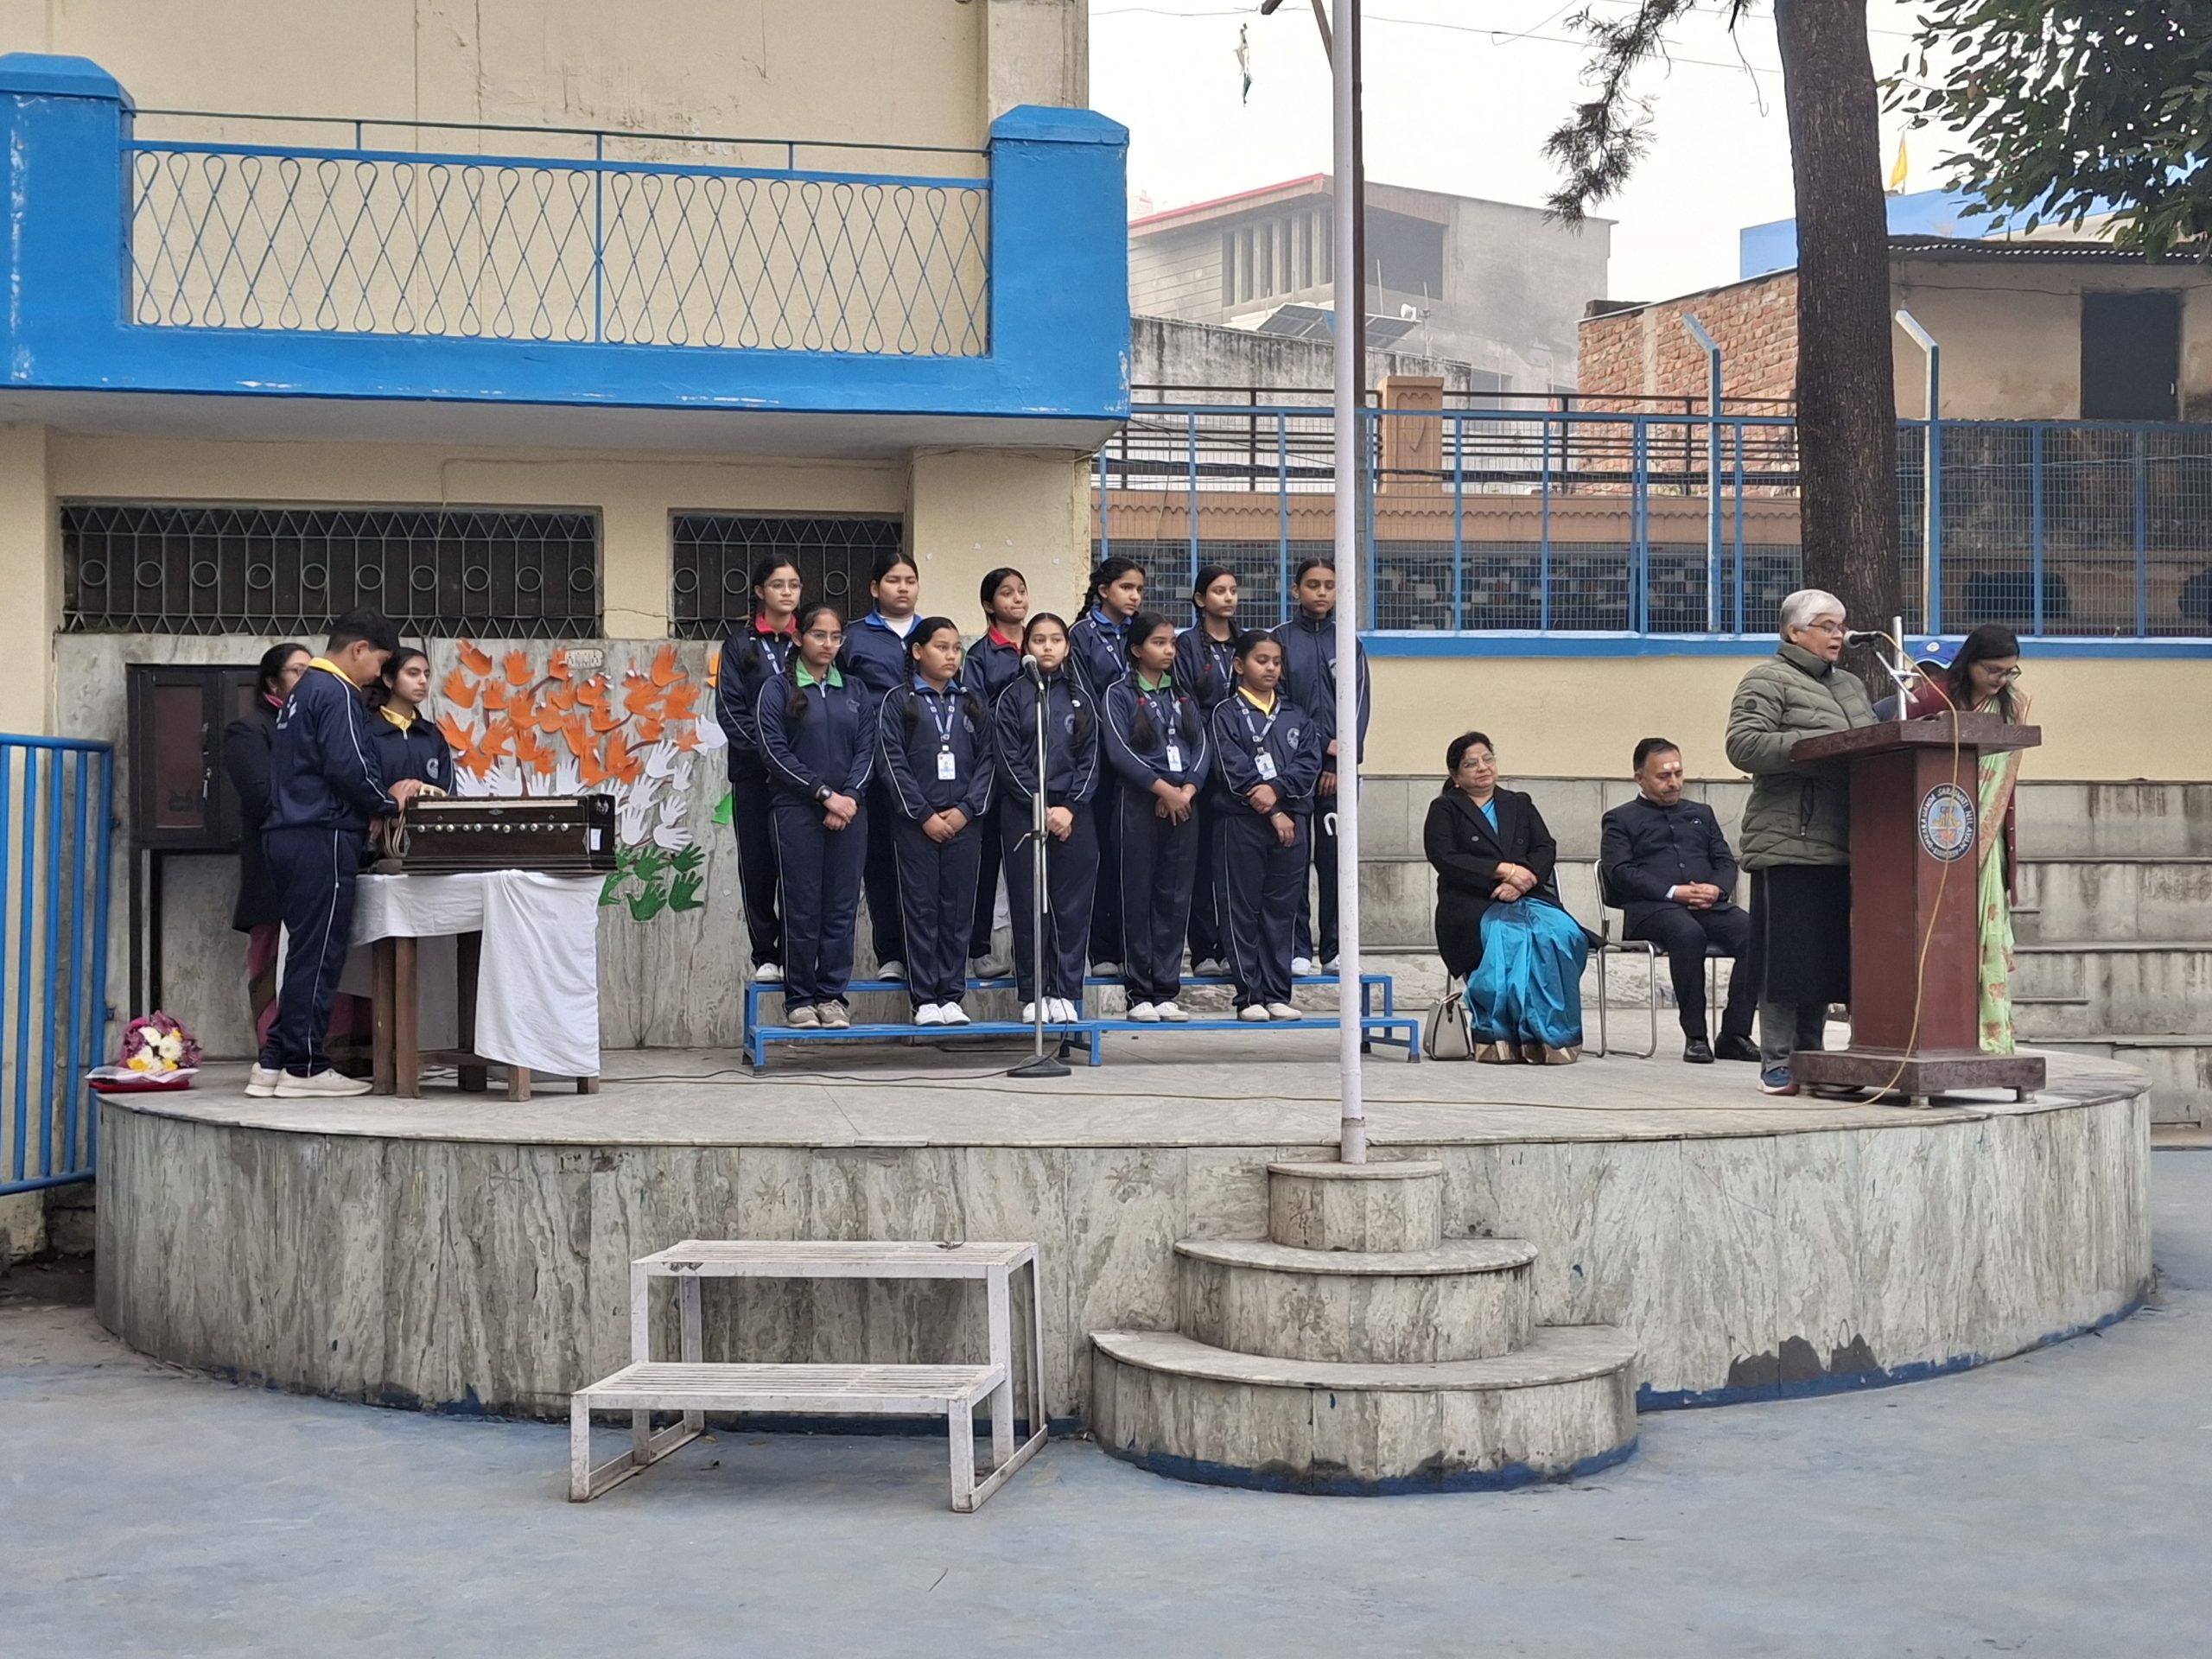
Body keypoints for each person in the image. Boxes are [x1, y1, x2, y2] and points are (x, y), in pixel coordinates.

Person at [248, 609, 426, 1099]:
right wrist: (387, 803)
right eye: (380, 663)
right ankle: (306, 1067)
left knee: (302, 950)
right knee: (320, 953)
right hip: (321, 834)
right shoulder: (338, 692)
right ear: (358, 650)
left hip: (287, 832)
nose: (378, 675)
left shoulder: (302, 691)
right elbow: (349, 765)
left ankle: (275, 1061)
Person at [1724, 588, 1879, 1096]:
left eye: (1841, 626)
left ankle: (1812, 1058)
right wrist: (1817, 747)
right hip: (1790, 837)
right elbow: (1743, 745)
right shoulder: (1767, 678)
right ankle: (1777, 1060)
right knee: (1786, 957)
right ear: (1794, 631)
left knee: (1824, 957)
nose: (1839, 635)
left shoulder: (1851, 686)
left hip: (1846, 839)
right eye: (1827, 626)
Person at [1423, 732, 1589, 1065]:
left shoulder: (1519, 803)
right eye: (1471, 764)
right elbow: (1445, 857)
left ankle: (1552, 1036)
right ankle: (1500, 1035)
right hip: (1472, 903)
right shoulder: (1445, 809)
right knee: (1510, 938)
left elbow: (1545, 847)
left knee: (1561, 934)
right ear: (1455, 774)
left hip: (1527, 896)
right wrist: (1503, 871)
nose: (1483, 768)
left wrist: (1522, 881)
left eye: (1488, 759)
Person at [1904, 624, 2031, 1053]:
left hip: (1986, 840)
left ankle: (1987, 1037)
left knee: (1981, 936)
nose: (2001, 680)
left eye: (2009, 672)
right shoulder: (1933, 698)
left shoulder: (2012, 705)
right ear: (1970, 662)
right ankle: (1936, 1033)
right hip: (1933, 834)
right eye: (1993, 670)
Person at [1598, 737, 1760, 1064]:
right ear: (1640, 778)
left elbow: (1725, 862)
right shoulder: (1620, 819)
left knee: (1754, 932)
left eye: (1678, 773)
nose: (1674, 783)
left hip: (1708, 906)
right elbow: (1619, 872)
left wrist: (1717, 889)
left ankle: (1735, 1034)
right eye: (1663, 776)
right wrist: (1673, 891)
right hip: (1652, 910)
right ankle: (1696, 1036)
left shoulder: (1701, 813)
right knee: (1687, 934)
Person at [758, 605, 874, 1030]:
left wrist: (849, 799)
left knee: (841, 907)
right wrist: (824, 795)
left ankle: (832, 995)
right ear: (798, 637)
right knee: (801, 905)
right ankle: (801, 999)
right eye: (819, 635)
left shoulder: (855, 690)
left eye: (835, 637)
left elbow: (868, 750)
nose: (828, 644)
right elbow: (773, 752)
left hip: (850, 813)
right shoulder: (777, 689)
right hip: (796, 812)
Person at [878, 618, 995, 1027]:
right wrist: (923, 814)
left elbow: (989, 761)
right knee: (921, 908)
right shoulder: (899, 701)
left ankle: (952, 995)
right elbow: (892, 762)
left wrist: (966, 810)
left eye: (956, 648)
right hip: (917, 824)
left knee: (958, 909)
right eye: (941, 647)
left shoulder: (972, 701)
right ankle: (925, 997)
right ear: (917, 651)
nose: (951, 656)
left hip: (965, 822)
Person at [992, 612, 1102, 1025]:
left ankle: (1065, 991)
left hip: (1073, 812)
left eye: (1056, 639)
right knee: (1028, 904)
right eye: (1039, 640)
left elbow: (1090, 757)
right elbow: (1008, 759)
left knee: (1071, 905)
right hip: (1025, 811)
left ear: (1067, 647)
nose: (1048, 647)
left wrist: (1069, 807)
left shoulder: (1082, 697)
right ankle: (1034, 992)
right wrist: (1039, 806)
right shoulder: (1012, 696)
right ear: (1026, 647)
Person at [1207, 631, 1322, 1021]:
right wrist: (1270, 807)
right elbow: (1230, 766)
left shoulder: (1296, 715)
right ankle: (1249, 995)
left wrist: (1278, 791)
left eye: (1276, 661)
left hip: (1292, 821)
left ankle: (1276, 992)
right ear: (1239, 665)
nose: (1271, 668)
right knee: (1242, 908)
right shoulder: (1225, 714)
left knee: (1282, 908)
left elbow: (1308, 764)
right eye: (1261, 661)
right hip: (1241, 821)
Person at [1102, 612, 1211, 1021]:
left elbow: (1202, 748)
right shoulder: (1118, 694)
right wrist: (1162, 789)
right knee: (1137, 895)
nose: (1168, 651)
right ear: (1136, 649)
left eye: (1172, 643)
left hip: (1184, 805)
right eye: (1159, 643)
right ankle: (1139, 991)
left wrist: (1186, 791)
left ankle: (1167, 989)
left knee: (1174, 896)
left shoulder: (1181, 695)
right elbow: (1119, 751)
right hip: (1138, 804)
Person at [1272, 556, 1370, 975]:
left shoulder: (1348, 642)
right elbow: (1277, 706)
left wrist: (1338, 761)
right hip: (1293, 771)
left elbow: (1359, 707)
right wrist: (1313, 751)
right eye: (1313, 585)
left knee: (1335, 861)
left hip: (1337, 773)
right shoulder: (1279, 640)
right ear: (1296, 590)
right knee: (1292, 860)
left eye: (1330, 585)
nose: (1322, 592)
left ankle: (1335, 948)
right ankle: (1296, 946)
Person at [714, 555, 804, 982]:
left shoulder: (809, 640)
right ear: (759, 592)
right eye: (778, 585)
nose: (787, 592)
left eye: (794, 585)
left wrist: (799, 766)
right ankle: (766, 954)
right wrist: (770, 757)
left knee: (799, 867)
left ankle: (798, 952)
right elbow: (730, 711)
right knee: (757, 865)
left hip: (803, 779)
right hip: (755, 775)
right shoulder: (739, 646)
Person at [221, 640, 310, 1050]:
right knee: (272, 964)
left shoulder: (316, 727)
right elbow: (260, 797)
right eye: (297, 671)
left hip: (315, 867)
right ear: (273, 682)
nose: (306, 679)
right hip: (272, 870)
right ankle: (274, 1053)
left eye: (312, 672)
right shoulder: (250, 729)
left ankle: (326, 1053)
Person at [838, 548, 921, 982]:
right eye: (893, 580)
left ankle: (927, 954)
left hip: (925, 765)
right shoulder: (853, 637)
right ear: (875, 588)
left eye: (910, 580)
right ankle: (891, 953)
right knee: (880, 860)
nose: (902, 588)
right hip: (871, 764)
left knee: (921, 859)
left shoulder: (932, 632)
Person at [1070, 556, 1147, 972]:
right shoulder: (1081, 634)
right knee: (1100, 854)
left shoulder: (1141, 630)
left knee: (1132, 857)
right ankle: (1102, 950)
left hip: (1141, 760)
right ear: (1104, 590)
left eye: (1139, 589)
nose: (1135, 596)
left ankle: (1132, 949)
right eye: (1126, 588)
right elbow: (1081, 697)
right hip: (1101, 758)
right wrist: (1116, 740)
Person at [963, 567, 1028, 979]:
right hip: (994, 772)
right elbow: (975, 712)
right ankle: (979, 948)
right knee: (986, 865)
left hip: (1036, 772)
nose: (1017, 599)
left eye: (1022, 591)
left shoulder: (1040, 642)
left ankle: (1031, 950)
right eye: (1007, 593)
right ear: (989, 604)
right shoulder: (980, 655)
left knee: (1031, 869)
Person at [1178, 564, 1240, 976]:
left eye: (1233, 590)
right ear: (1201, 599)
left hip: (1239, 766)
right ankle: (1203, 950)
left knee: (1232, 862)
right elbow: (1184, 704)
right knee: (1199, 862)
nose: (1229, 597)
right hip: (1200, 764)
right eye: (1219, 591)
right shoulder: (1186, 645)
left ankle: (1235, 947)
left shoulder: (1245, 642)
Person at [365, 647, 456, 793]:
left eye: (427, 674)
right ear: (388, 680)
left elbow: (448, 792)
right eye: (413, 673)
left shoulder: (433, 735)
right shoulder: (368, 731)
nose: (423, 681)